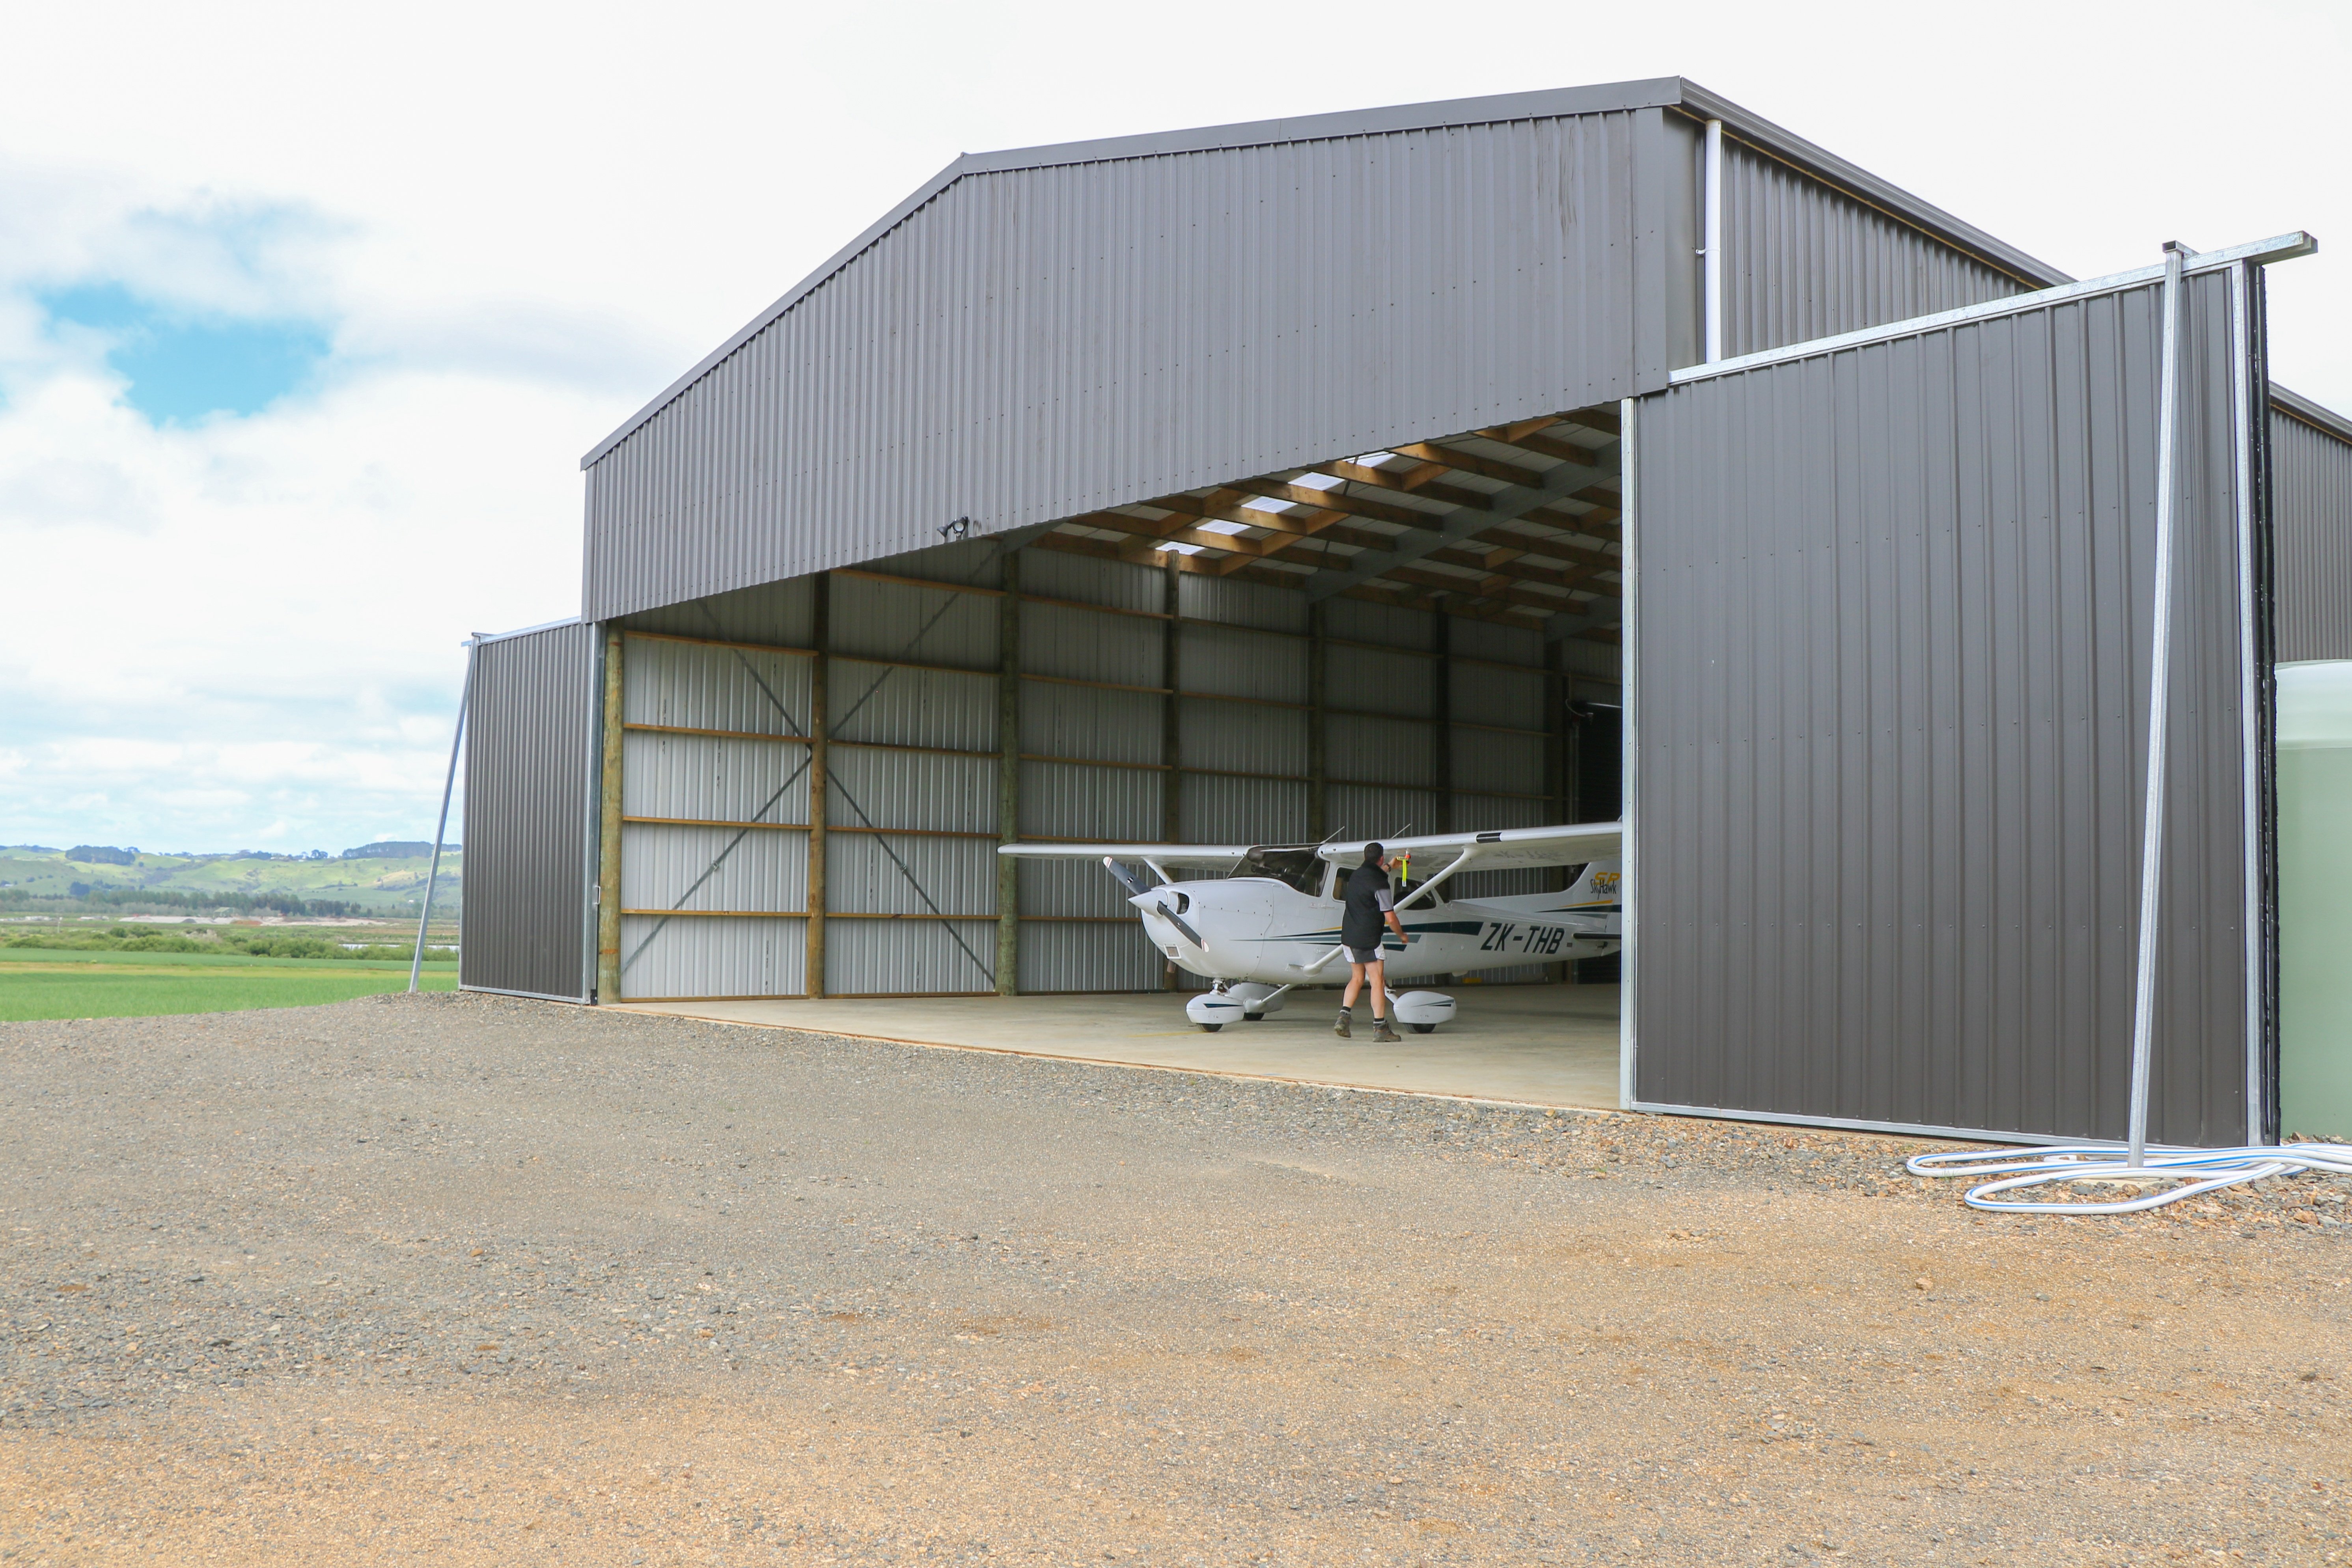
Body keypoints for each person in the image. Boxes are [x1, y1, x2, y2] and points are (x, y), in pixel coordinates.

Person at [1335, 843, 1407, 1041]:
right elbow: (1391, 918)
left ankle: (1344, 1018)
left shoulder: (1357, 875)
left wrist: (1391, 867)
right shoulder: (1381, 885)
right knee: (1377, 981)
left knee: (1357, 979)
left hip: (1349, 937)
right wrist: (1402, 935)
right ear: (1381, 859)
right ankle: (1380, 1029)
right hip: (1369, 939)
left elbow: (1374, 876)